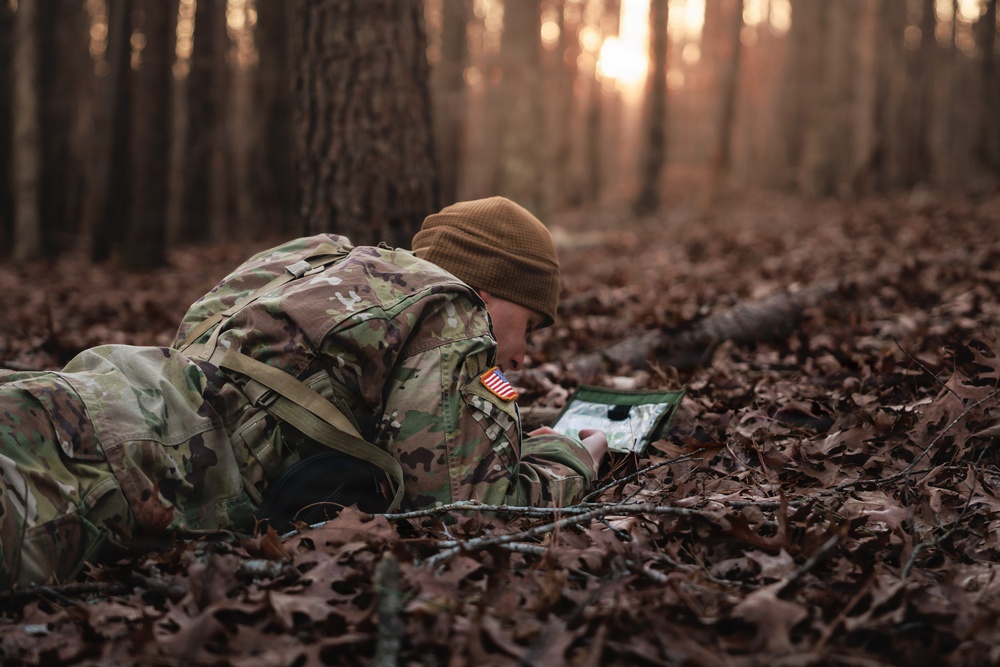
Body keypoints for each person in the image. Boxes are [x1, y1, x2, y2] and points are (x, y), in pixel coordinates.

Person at [0, 196, 608, 588]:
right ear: (492, 288)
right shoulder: (453, 312)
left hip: (93, 392)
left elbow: (195, 330)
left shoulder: (320, 259)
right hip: (109, 472)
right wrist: (569, 459)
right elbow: (466, 510)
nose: (525, 355)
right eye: (529, 324)